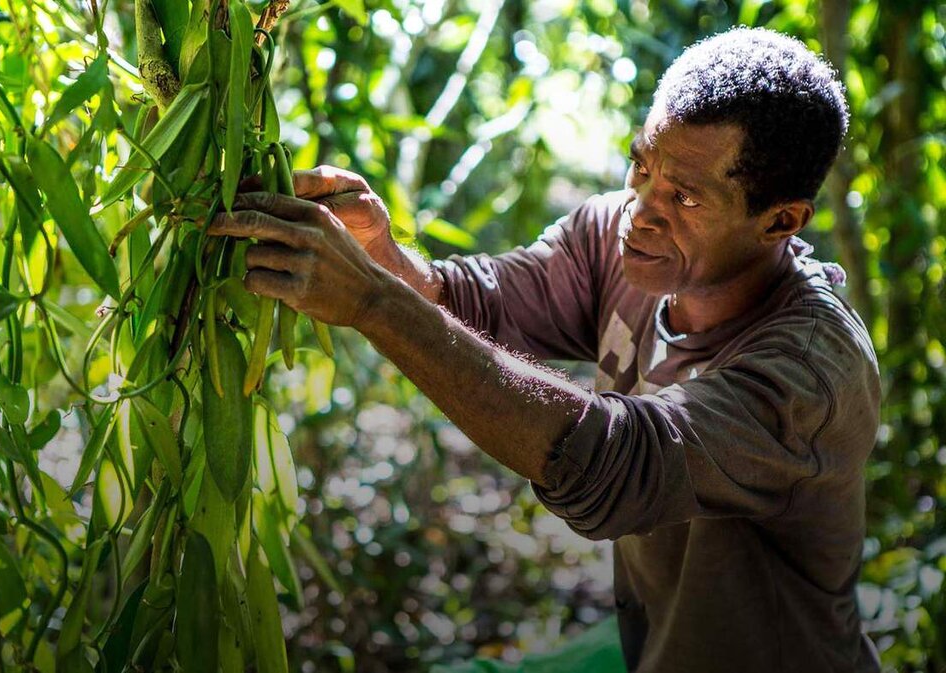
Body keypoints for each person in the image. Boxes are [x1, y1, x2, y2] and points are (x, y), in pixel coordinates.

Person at [209, 26, 880, 673]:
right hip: (650, 644)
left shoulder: (809, 375)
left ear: (781, 221)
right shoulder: (622, 244)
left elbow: (613, 462)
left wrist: (374, 303)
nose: (640, 208)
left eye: (685, 197)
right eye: (641, 165)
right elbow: (488, 304)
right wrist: (387, 263)